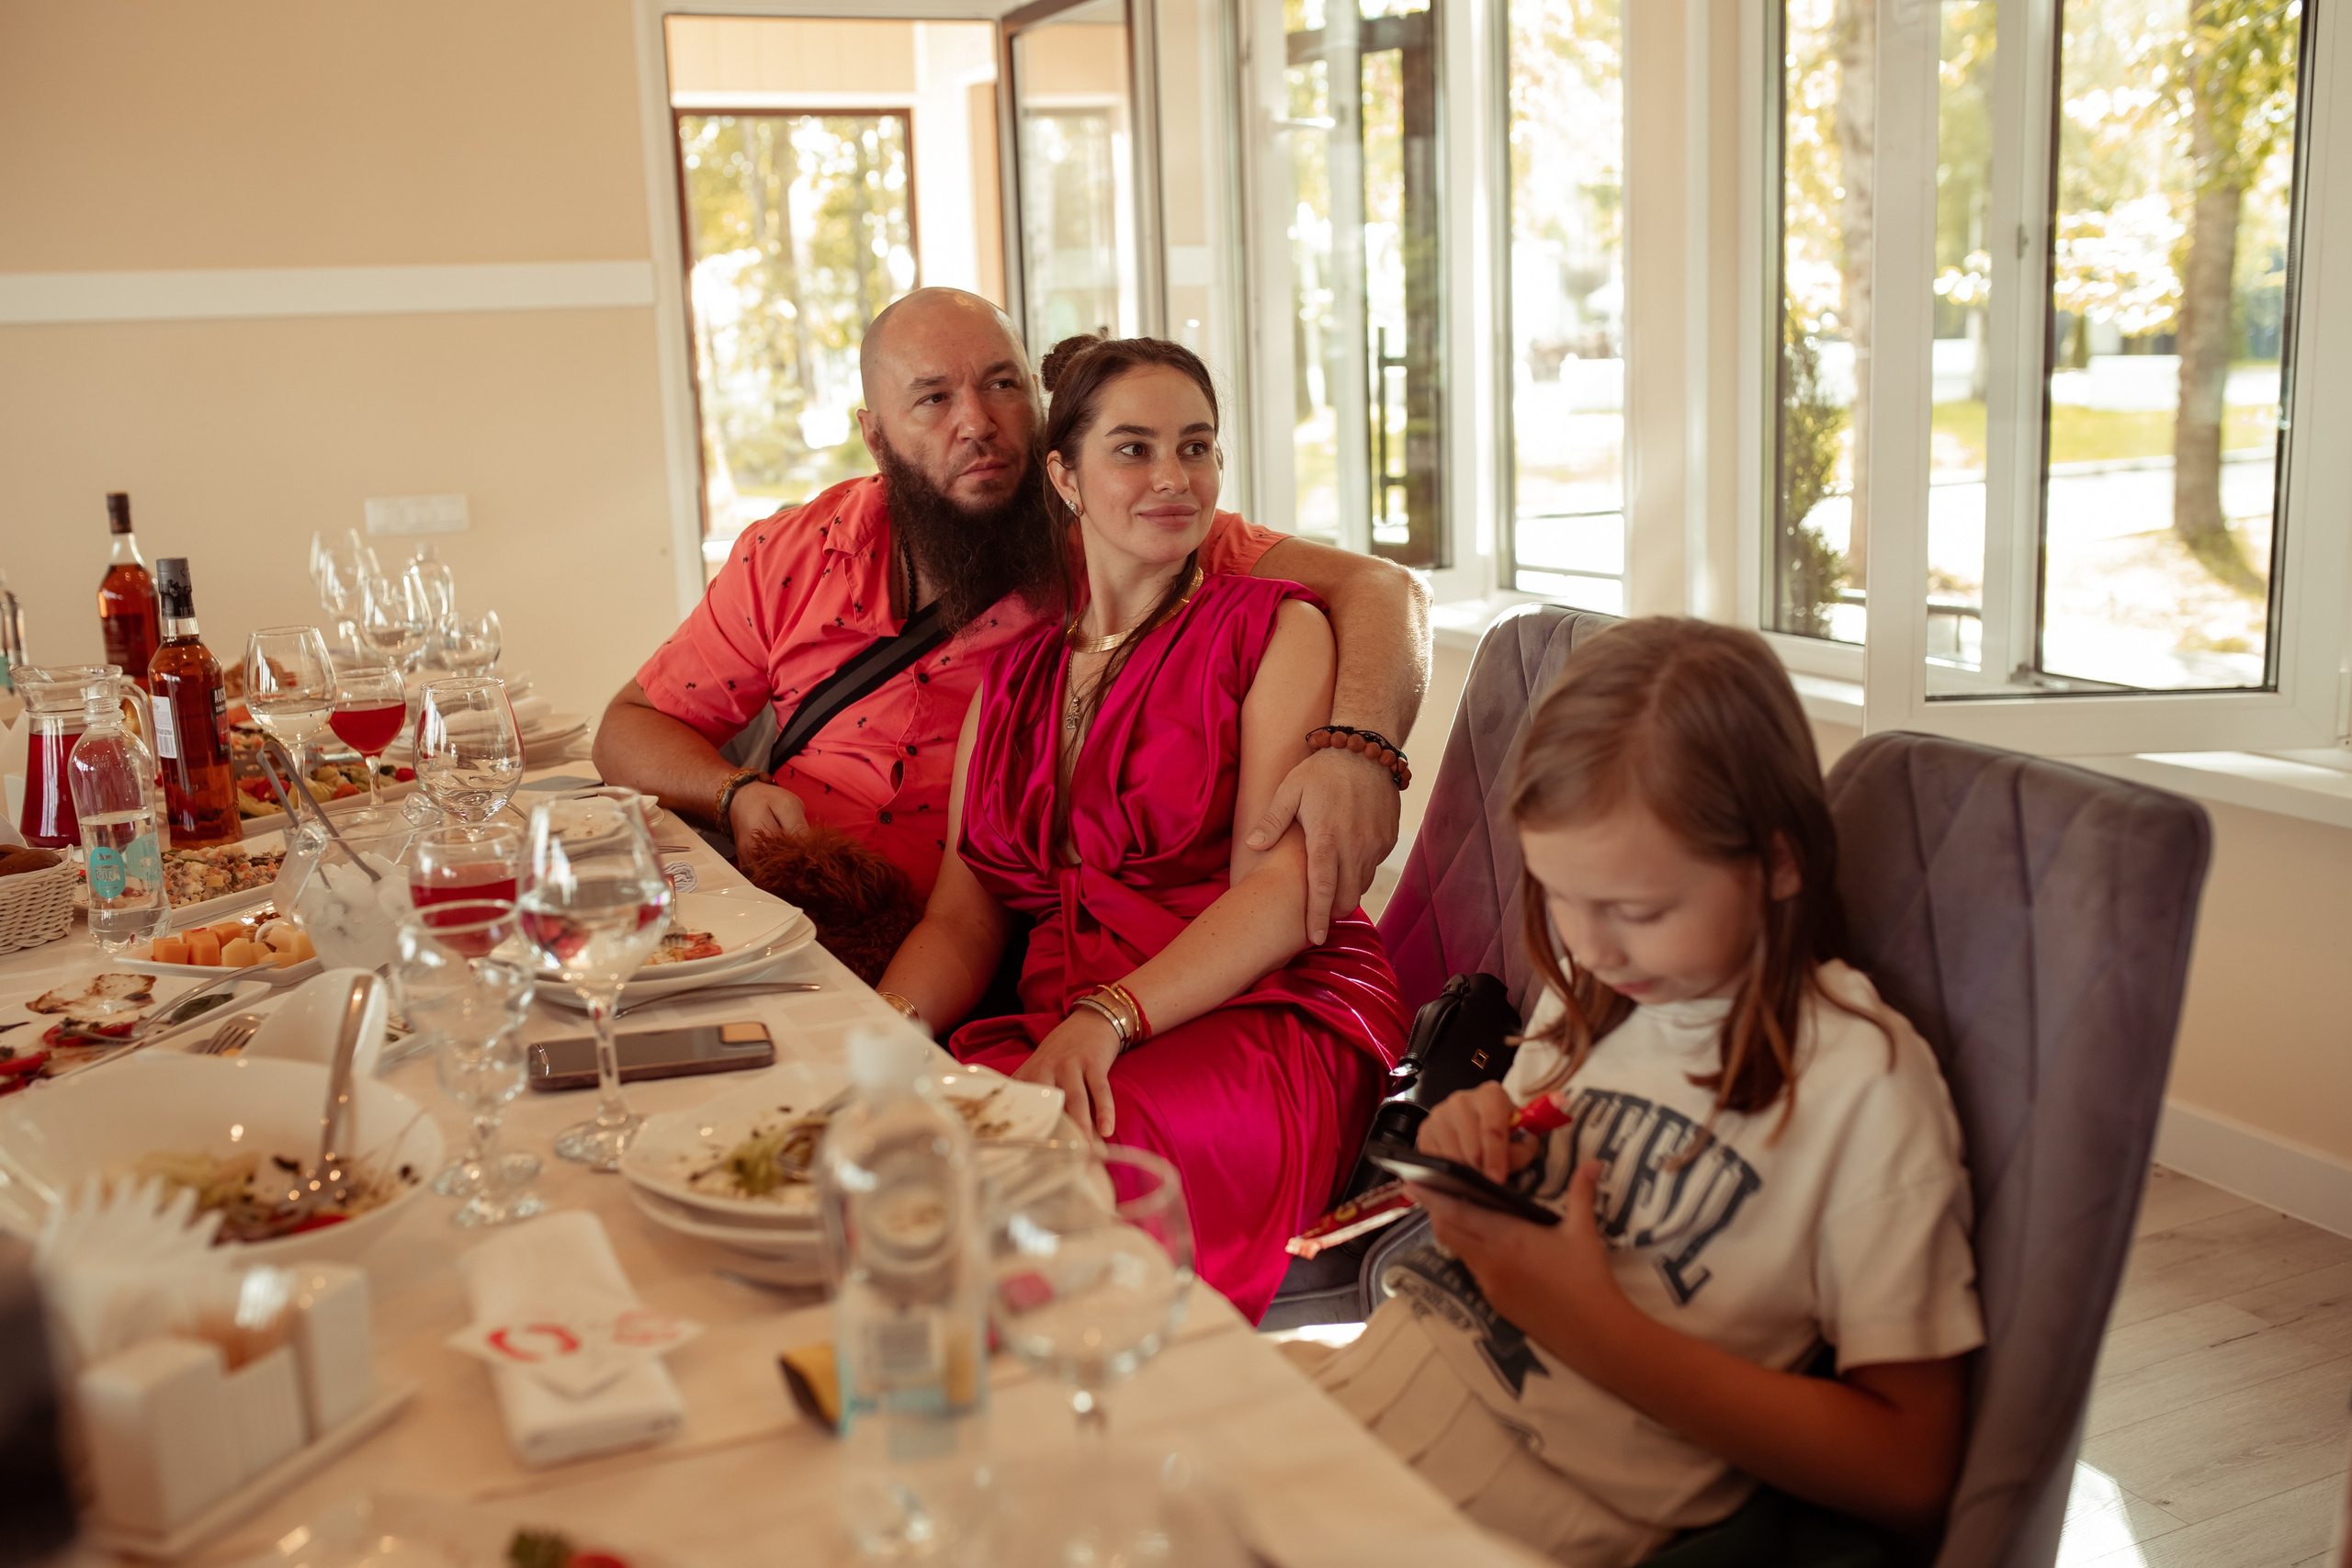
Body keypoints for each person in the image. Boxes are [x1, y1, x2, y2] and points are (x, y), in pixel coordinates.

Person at [1300, 618, 1983, 1564]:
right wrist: (1478, 1134)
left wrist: (1588, 1324)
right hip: (1379, 1384)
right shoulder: (1599, 997)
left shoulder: (1863, 1085)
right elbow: (1529, 1165)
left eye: (1639, 910)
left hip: (1525, 1498)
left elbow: (1909, 1472)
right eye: (1559, 896)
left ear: (1779, 860)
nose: (1592, 947)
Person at [593, 288, 1429, 949]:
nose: (979, 424)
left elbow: (1387, 591)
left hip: (993, 945)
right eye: (933, 398)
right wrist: (732, 789)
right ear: (875, 435)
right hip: (776, 925)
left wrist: (1361, 751)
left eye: (1002, 385)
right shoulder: (790, 552)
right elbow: (628, 728)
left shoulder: (1120, 536)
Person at [874, 335, 1410, 1322]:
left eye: (1196, 448)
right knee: (897, 1158)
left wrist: (1107, 1019)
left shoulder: (1275, 629)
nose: (1175, 478)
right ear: (1064, 477)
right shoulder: (1013, 677)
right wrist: (871, 1039)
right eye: (1133, 450)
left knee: (1051, 1187)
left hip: (1257, 1010)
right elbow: (961, 919)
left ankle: (1120, 1433)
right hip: (1066, 1024)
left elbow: (1284, 898)